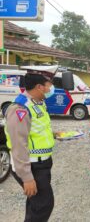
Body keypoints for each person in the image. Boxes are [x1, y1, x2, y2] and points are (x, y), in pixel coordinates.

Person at [5, 65, 58, 221]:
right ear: (40, 87)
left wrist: (54, 135)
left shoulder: (37, 102)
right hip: (31, 166)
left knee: (37, 204)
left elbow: (35, 131)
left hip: (42, 164)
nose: (51, 88)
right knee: (43, 204)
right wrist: (27, 178)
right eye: (49, 85)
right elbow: (18, 144)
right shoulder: (20, 109)